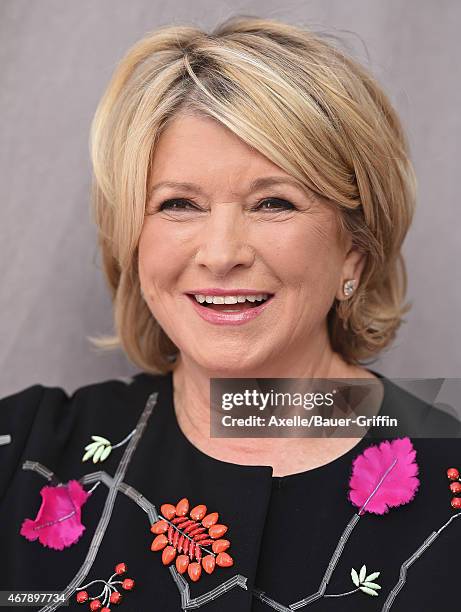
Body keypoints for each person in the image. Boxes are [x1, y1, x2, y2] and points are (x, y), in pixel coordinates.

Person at [0, 15, 459, 612]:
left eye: (273, 202)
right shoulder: (20, 458)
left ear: (353, 248)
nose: (220, 255)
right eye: (179, 204)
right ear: (133, 240)